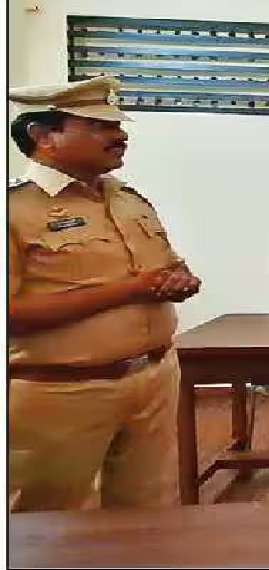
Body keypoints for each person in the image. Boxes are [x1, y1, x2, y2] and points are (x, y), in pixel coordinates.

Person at [7, 76, 201, 512]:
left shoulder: (128, 200)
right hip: (63, 393)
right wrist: (131, 289)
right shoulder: (14, 209)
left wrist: (180, 280)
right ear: (43, 135)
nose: (119, 135)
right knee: (47, 523)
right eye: (99, 126)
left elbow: (167, 265)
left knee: (146, 514)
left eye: (117, 125)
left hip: (152, 380)